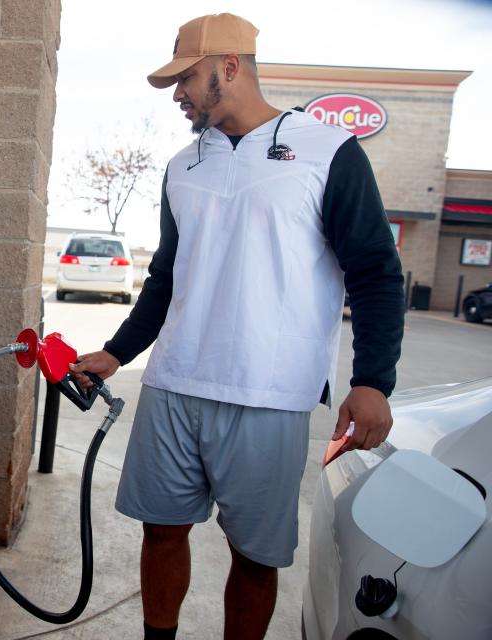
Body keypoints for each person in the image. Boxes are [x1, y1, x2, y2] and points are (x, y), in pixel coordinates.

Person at [71, 13, 405, 640]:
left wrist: (373, 380)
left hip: (269, 394)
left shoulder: (327, 151)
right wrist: (117, 353)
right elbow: (168, 277)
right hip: (174, 383)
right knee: (161, 531)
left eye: (187, 78)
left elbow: (376, 273)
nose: (178, 95)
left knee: (253, 555)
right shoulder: (181, 167)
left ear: (230, 66)